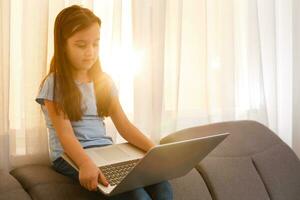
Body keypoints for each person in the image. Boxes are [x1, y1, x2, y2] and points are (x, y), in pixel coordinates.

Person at [35, 5, 173, 200]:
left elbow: (124, 126)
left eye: (95, 44)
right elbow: (66, 136)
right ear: (63, 44)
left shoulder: (104, 81)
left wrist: (154, 151)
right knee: (137, 196)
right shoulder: (55, 84)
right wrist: (84, 164)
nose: (90, 52)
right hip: (71, 156)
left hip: (106, 151)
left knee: (161, 184)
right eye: (81, 45)